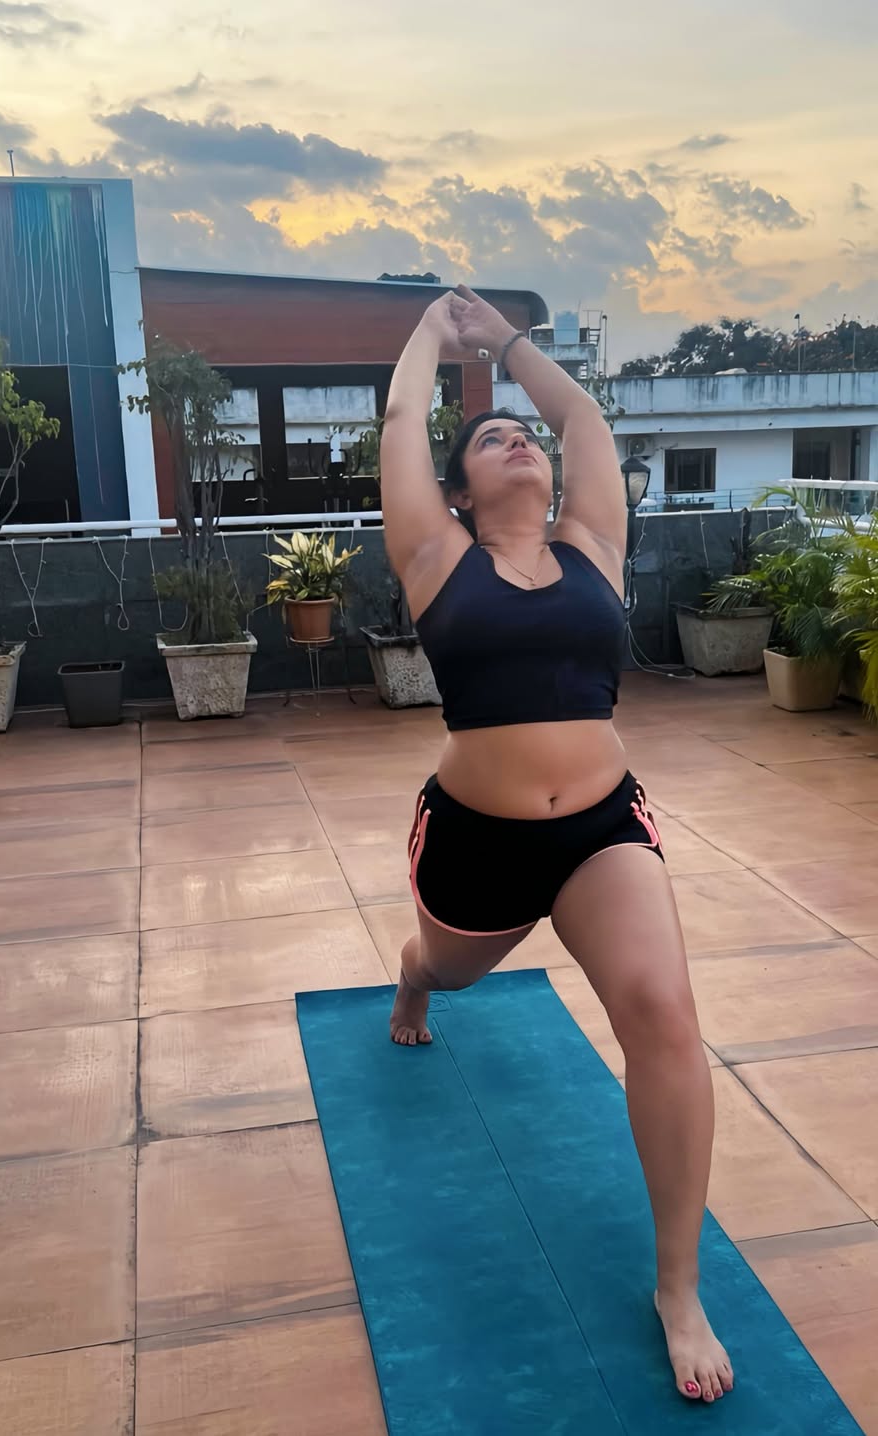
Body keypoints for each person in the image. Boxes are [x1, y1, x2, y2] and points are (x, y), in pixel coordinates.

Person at [381, 285, 733, 1406]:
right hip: (475, 838)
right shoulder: (435, 555)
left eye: (520, 434)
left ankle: (677, 1286)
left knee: (664, 1014)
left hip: (598, 828)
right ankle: (414, 977)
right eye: (491, 439)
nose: (518, 440)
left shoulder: (593, 545)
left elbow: (582, 419)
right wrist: (430, 336)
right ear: (459, 489)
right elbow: (402, 422)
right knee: (449, 967)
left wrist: (510, 345)